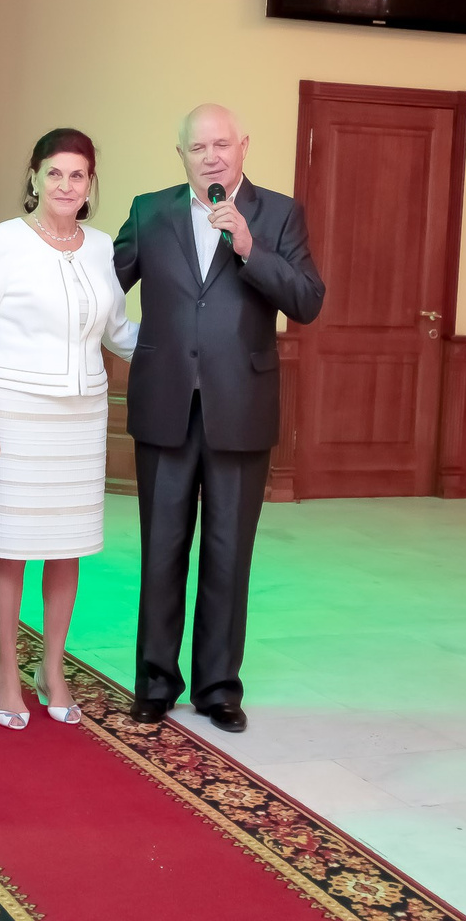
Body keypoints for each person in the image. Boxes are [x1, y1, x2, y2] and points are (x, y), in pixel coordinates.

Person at [113, 104, 324, 734]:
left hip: (240, 407)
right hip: (165, 405)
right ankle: (155, 682)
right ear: (180, 154)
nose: (212, 156)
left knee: (229, 553)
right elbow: (99, 288)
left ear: (243, 147)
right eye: (198, 147)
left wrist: (250, 247)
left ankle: (218, 688)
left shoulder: (278, 214)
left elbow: (308, 300)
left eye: (222, 144)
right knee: (162, 550)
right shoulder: (150, 212)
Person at [0, 129, 136, 730]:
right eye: (54, 173)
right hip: (17, 413)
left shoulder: (100, 247)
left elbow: (118, 332)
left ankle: (52, 668)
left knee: (67, 545)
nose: (65, 185)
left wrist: (185, 346)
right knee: (13, 545)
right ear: (34, 178)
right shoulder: (2, 242)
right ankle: (5, 670)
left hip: (82, 415)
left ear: (91, 184)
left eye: (77, 175)